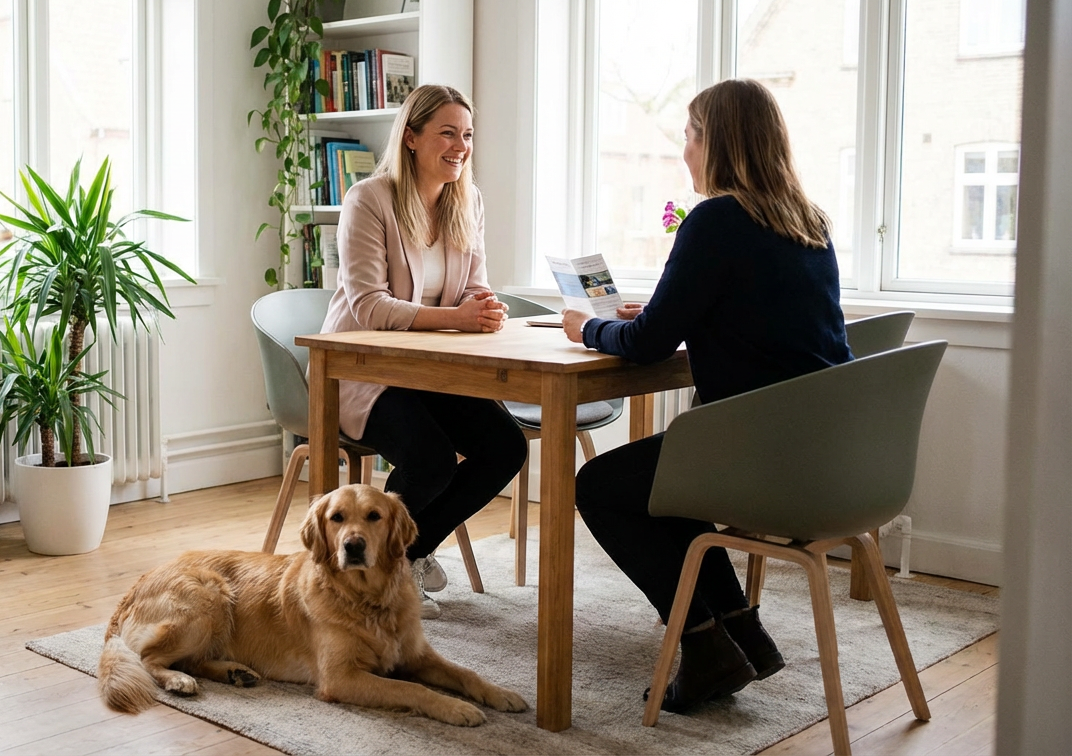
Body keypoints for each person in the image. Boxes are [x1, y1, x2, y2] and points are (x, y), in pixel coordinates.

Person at [562, 78, 854, 711]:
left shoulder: (717, 220)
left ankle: (704, 646)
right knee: (670, 481)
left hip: (758, 458)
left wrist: (585, 326)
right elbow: (750, 315)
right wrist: (670, 310)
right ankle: (743, 634)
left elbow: (644, 345)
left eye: (690, 136)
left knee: (599, 488)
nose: (685, 153)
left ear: (718, 142)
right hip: (828, 457)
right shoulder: (808, 222)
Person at [319, 84, 527, 619]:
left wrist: (481, 305)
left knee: (505, 446)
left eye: (468, 135)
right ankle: (374, 586)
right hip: (363, 370)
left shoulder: (468, 201)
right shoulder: (369, 199)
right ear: (411, 138)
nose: (460, 145)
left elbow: (471, 286)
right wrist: (457, 318)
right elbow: (368, 305)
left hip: (431, 371)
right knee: (430, 458)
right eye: (447, 133)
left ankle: (404, 558)